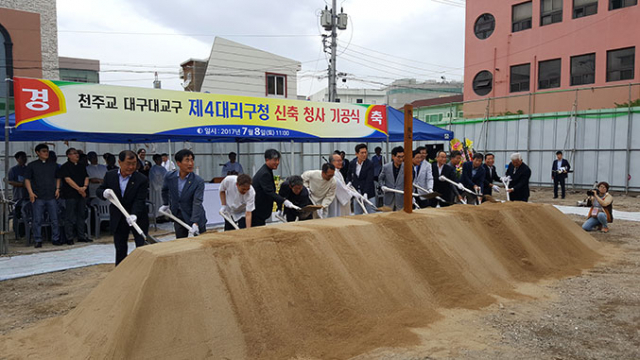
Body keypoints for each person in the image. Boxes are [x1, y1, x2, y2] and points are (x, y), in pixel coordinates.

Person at [97, 150, 149, 265]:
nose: (131, 167)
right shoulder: (110, 175)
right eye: (128, 164)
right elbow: (100, 189)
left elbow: (140, 200)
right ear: (120, 162)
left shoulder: (141, 179)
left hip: (137, 217)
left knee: (142, 246)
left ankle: (143, 270)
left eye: (134, 164)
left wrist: (134, 214)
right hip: (118, 217)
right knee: (120, 248)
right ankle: (120, 273)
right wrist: (104, 193)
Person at [159, 149, 206, 238]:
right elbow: (164, 189)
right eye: (187, 160)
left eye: (192, 160)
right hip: (178, 215)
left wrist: (195, 222)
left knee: (201, 243)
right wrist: (166, 204)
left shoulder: (198, 181)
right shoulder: (170, 176)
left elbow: (197, 202)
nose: (190, 163)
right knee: (180, 242)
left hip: (195, 214)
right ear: (178, 163)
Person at [24, 144, 61, 248]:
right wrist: (30, 192)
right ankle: (38, 239)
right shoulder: (32, 165)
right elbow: (27, 179)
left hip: (51, 195)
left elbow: (58, 177)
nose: (46, 153)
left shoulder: (53, 165)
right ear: (37, 152)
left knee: (54, 219)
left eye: (47, 151)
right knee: (37, 219)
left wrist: (57, 189)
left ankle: (55, 238)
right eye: (44, 151)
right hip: (37, 196)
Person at [252, 149, 297, 226]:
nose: (277, 163)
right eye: (275, 160)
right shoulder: (264, 174)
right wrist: (284, 201)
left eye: (278, 160)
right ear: (267, 160)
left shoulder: (267, 170)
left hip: (260, 210)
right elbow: (269, 192)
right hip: (258, 210)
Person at [59, 148, 91, 244]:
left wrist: (84, 187)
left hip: (82, 194)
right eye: (73, 153)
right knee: (70, 216)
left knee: (81, 215)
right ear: (68, 155)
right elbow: (68, 180)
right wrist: (79, 189)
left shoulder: (81, 166)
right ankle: (69, 237)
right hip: (71, 194)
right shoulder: (65, 166)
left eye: (77, 153)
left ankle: (81, 235)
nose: (76, 155)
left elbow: (86, 177)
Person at [347, 144, 376, 214]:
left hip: (368, 193)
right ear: (356, 154)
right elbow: (348, 175)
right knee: (357, 214)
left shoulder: (370, 164)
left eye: (365, 152)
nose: (364, 155)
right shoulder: (352, 163)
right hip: (357, 193)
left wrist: (365, 193)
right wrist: (349, 182)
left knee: (371, 213)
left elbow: (369, 179)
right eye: (362, 153)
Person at [8, 151, 29, 236]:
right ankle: (18, 232)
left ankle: (27, 231)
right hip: (18, 195)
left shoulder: (28, 168)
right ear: (17, 159)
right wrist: (22, 184)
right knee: (18, 214)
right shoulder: (13, 170)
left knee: (27, 213)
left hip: (28, 195)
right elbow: (10, 181)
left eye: (25, 157)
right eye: (22, 158)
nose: (24, 159)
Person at [378, 146, 405, 211]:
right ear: (393, 156)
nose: (400, 159)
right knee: (387, 218)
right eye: (398, 157)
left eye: (402, 157)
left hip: (401, 198)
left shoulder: (407, 167)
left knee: (400, 218)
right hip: (389, 198)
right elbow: (380, 178)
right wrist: (382, 186)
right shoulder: (386, 167)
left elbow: (411, 181)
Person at [327, 153, 352, 217]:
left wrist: (347, 188)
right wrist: (350, 193)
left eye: (341, 160)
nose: (341, 162)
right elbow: (338, 186)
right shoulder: (333, 173)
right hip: (335, 199)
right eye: (338, 161)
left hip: (340, 199)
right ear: (332, 162)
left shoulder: (338, 172)